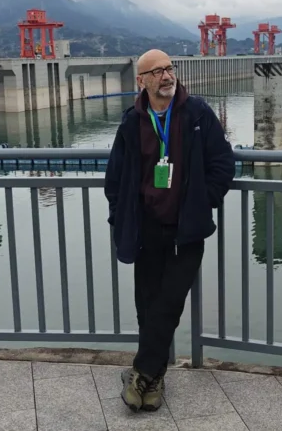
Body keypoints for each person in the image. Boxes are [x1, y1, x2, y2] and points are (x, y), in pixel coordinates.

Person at [104, 50, 235, 412]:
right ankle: (153, 380)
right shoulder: (132, 122)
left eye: (169, 68)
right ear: (141, 80)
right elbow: (114, 180)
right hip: (146, 229)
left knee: (168, 303)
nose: (166, 76)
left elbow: (223, 165)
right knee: (147, 306)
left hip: (185, 231)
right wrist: (120, 216)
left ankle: (140, 371)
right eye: (157, 71)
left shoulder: (197, 114)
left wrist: (198, 201)